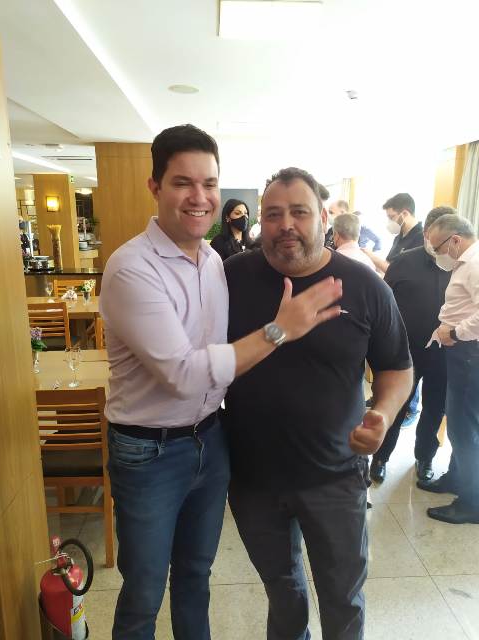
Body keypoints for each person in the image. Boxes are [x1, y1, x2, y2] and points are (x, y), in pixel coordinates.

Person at [99, 125, 344, 640]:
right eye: (182, 183)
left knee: (196, 576)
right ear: (155, 187)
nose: (200, 197)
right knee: (144, 591)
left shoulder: (213, 261)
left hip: (211, 440)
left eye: (209, 183)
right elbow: (184, 375)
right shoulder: (131, 268)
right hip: (148, 452)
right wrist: (279, 330)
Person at [223, 167, 413, 640]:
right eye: (273, 214)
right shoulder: (231, 278)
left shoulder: (365, 286)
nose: (285, 224)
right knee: (282, 590)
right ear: (260, 221)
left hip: (335, 475)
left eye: (299, 212)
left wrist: (383, 414)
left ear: (324, 218)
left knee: (342, 595)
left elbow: (397, 366)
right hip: (253, 478)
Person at [369, 207, 453, 484]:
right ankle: (381, 457)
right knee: (396, 405)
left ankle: (425, 457)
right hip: (406, 352)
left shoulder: (461, 264)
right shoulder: (404, 261)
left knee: (435, 408)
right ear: (427, 232)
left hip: (444, 353)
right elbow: (384, 305)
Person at [424, 214, 479, 524]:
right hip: (463, 353)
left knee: (464, 428)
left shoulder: (475, 263)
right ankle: (457, 478)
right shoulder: (465, 263)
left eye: (438, 248)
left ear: (455, 239)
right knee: (461, 424)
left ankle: (472, 503)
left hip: (470, 352)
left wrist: (455, 332)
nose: (437, 254)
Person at [364, 192, 423, 275]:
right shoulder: (398, 237)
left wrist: (372, 257)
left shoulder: (421, 239)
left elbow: (402, 273)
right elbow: (388, 264)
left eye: (392, 217)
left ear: (405, 214)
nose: (390, 222)